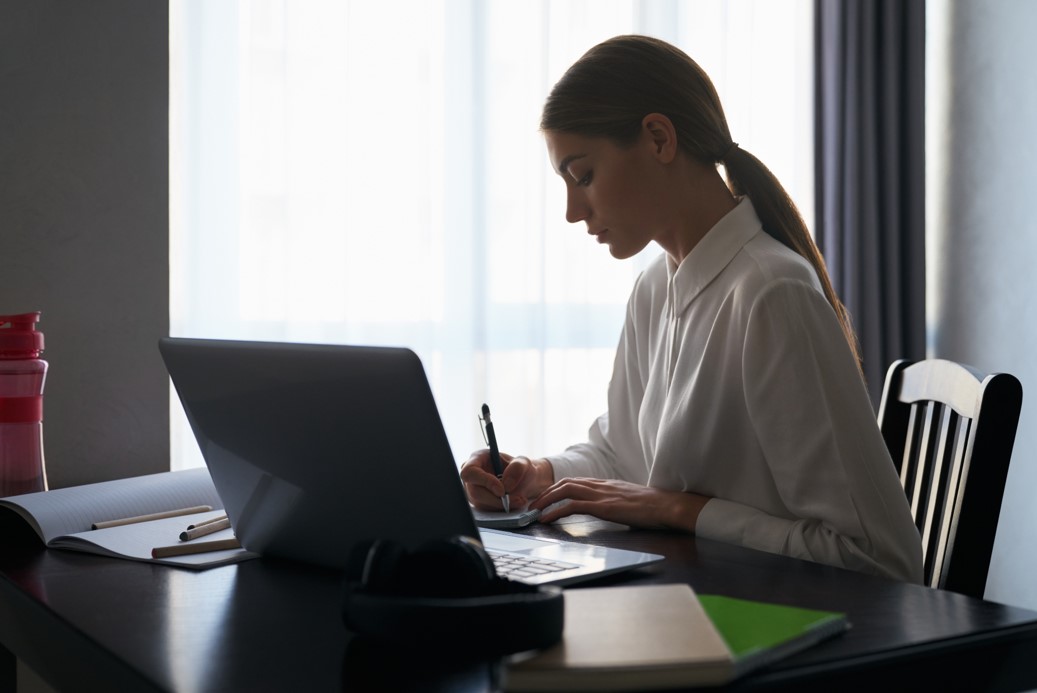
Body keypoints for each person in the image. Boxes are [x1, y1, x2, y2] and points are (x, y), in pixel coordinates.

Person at [460, 35, 922, 583]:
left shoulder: (772, 293)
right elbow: (624, 453)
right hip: (688, 604)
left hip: (777, 626)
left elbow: (878, 558)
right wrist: (536, 476)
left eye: (583, 176)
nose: (571, 210)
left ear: (658, 138)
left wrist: (678, 509)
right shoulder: (656, 287)